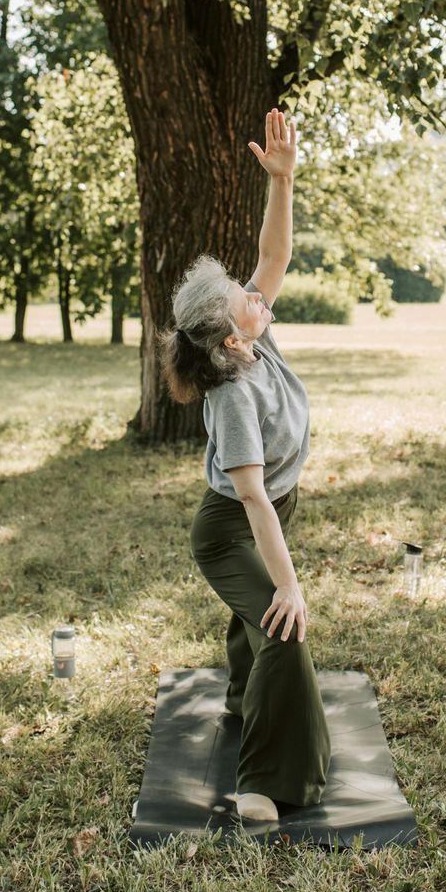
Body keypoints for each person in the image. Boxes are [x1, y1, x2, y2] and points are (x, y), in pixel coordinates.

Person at [157, 108, 329, 823]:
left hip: (267, 511)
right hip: (231, 526)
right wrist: (291, 586)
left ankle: (240, 696)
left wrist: (281, 183)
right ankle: (265, 783)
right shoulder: (233, 393)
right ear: (230, 334)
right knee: (283, 628)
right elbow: (252, 501)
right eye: (242, 298)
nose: (256, 294)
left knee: (252, 622)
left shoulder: (255, 342)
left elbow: (275, 257)